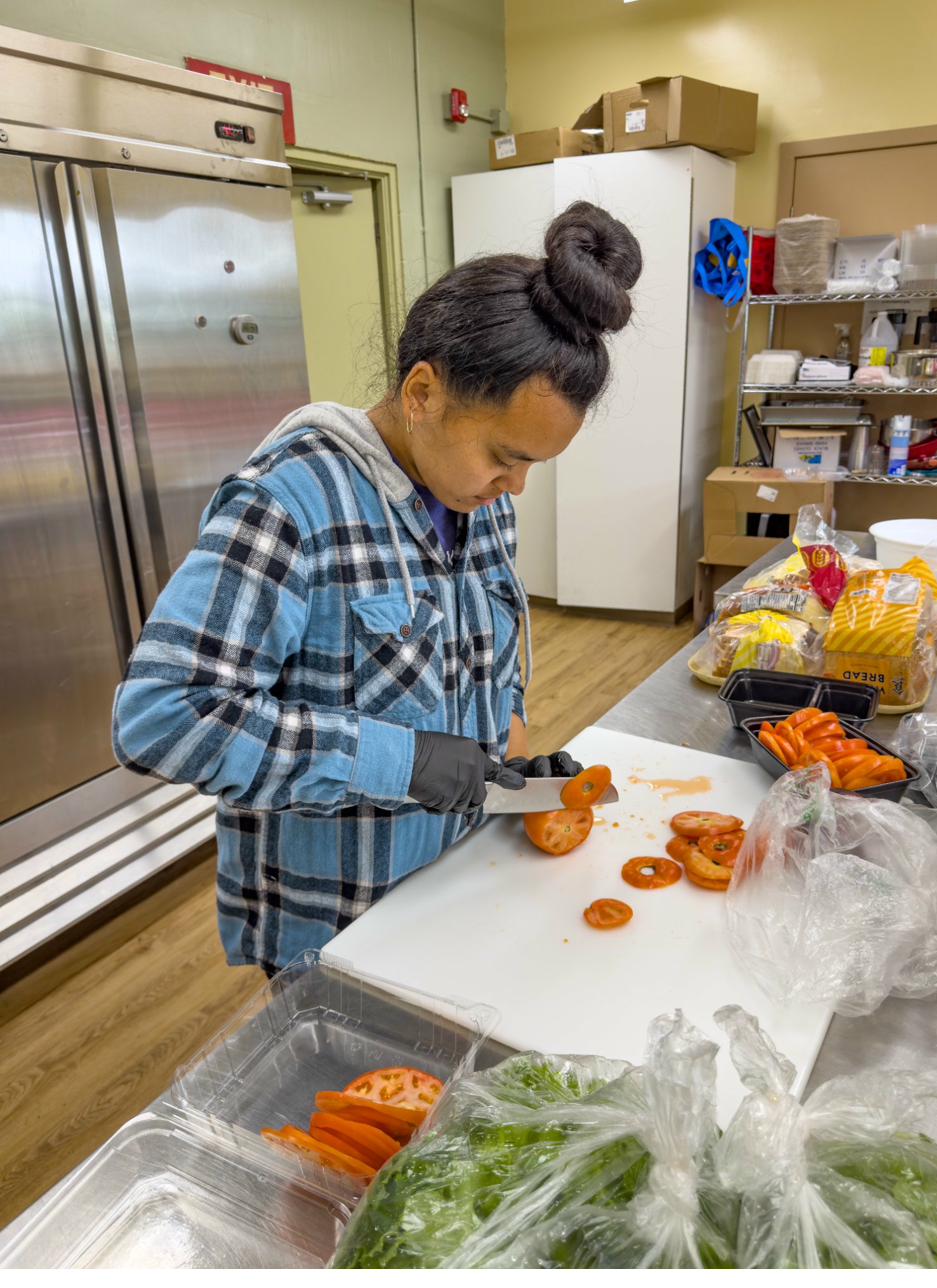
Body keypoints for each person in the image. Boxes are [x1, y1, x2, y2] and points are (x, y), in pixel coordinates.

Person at [112, 200, 643, 976]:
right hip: (340, 926)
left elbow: (481, 660)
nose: (517, 487)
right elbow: (164, 716)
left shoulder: (478, 500)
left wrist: (513, 762)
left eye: (533, 464)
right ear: (423, 393)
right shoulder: (289, 506)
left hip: (456, 889)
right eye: (505, 456)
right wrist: (402, 762)